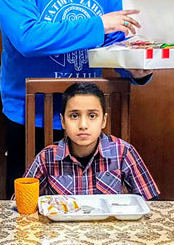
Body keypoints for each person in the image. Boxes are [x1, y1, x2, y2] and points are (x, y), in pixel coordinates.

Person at [0, 0, 152, 190]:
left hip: (86, 119)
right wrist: (97, 25)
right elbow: (27, 37)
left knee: (89, 209)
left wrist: (136, 70)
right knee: (28, 214)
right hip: (30, 118)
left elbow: (114, 42)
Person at [23, 81, 159, 198]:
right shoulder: (46, 158)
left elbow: (149, 201)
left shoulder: (123, 152)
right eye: (74, 116)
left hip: (110, 227)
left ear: (104, 120)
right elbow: (21, 204)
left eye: (92, 116)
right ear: (63, 121)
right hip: (61, 228)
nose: (83, 125)